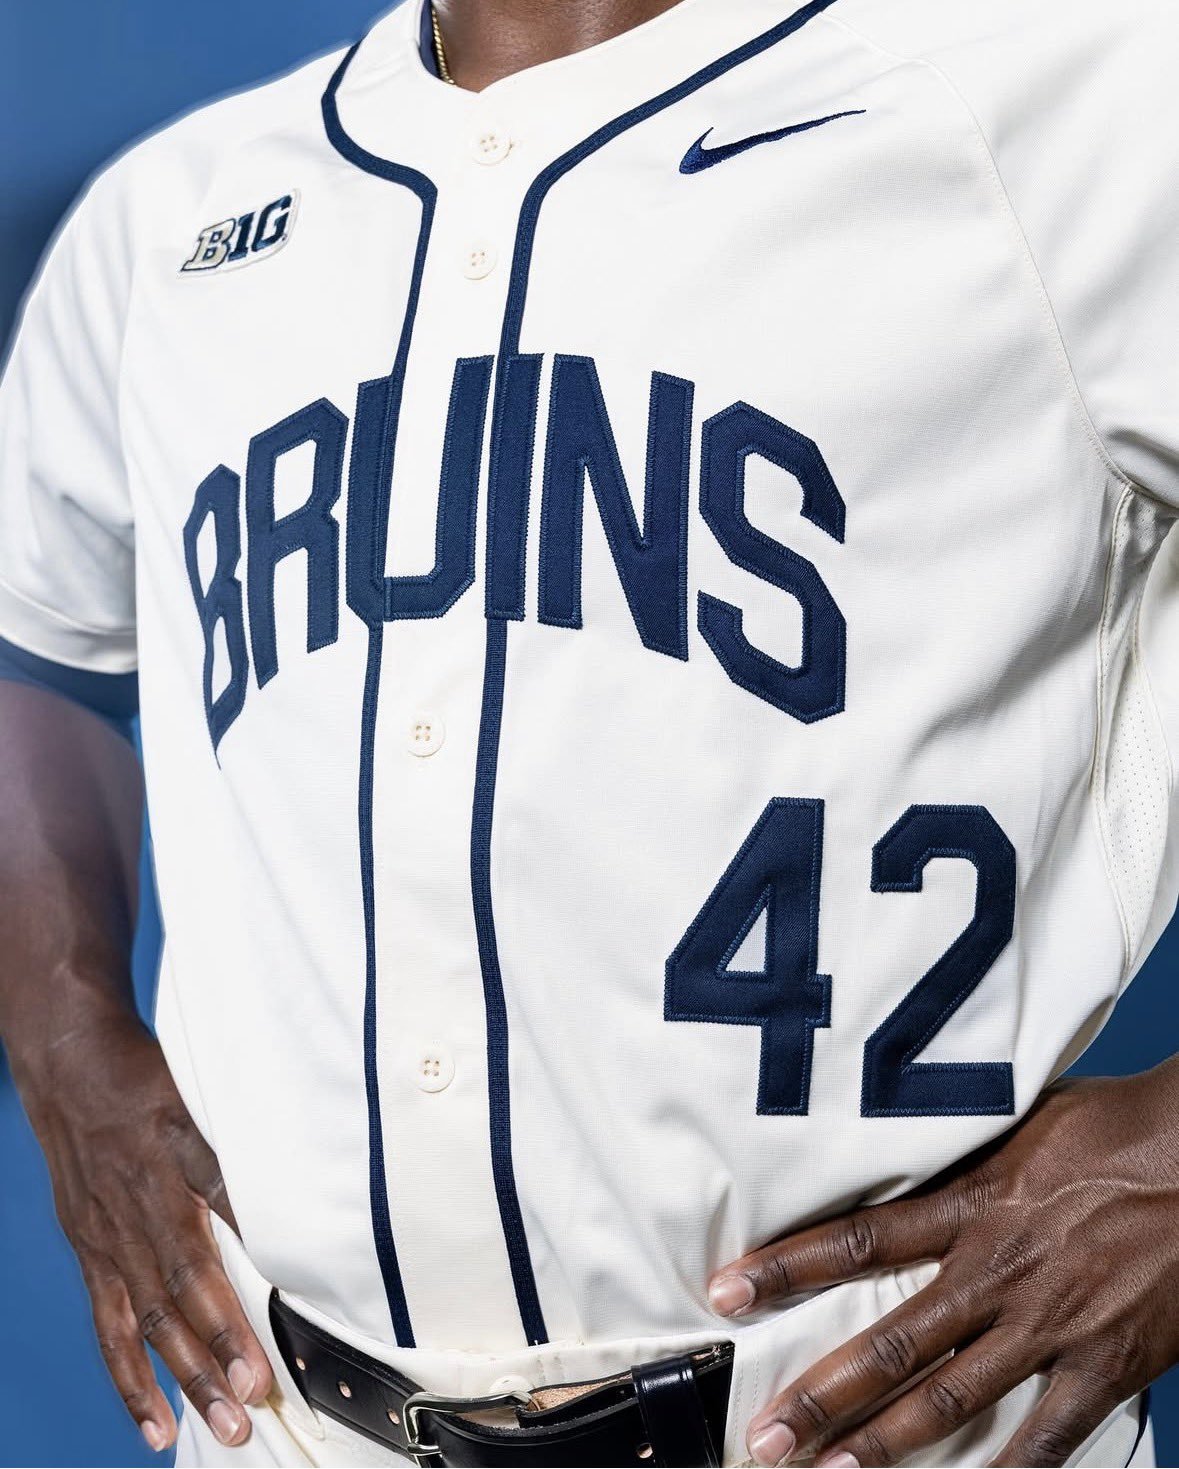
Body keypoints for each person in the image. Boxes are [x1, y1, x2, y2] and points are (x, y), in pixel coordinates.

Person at [2, 0, 1178, 1464]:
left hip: (863, 1420)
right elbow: (36, 652)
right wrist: (63, 1027)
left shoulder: (1070, 97)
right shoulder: (176, 222)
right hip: (302, 1422)